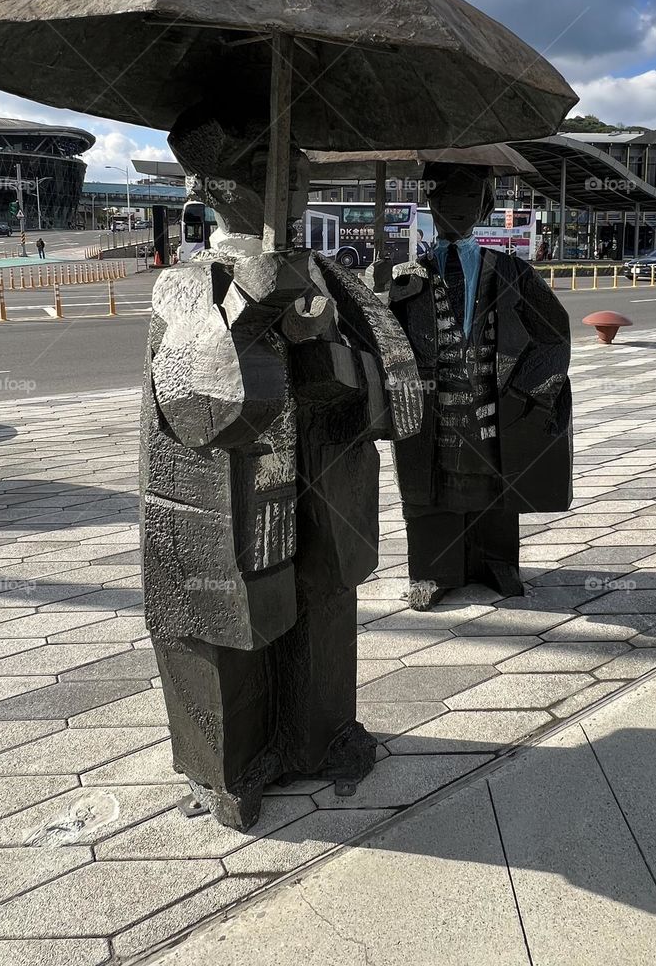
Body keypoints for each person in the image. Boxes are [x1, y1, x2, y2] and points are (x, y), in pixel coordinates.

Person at [141, 105, 422, 830]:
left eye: (292, 174)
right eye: (264, 174)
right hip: (230, 494)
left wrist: (332, 347)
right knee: (225, 617)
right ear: (212, 188)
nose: (286, 189)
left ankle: (320, 733)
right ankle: (229, 766)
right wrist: (252, 307)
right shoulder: (184, 283)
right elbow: (203, 410)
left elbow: (396, 400)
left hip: (323, 486)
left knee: (324, 606)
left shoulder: (335, 279)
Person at [389, 161, 572, 611]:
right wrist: (385, 297)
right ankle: (433, 569)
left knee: (495, 479)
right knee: (432, 485)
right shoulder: (406, 276)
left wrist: (530, 390)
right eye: (447, 197)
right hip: (432, 411)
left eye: (469, 198)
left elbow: (554, 332)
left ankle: (498, 561)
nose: (457, 206)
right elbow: (379, 339)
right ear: (431, 203)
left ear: (485, 206)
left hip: (495, 405)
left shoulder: (512, 271)